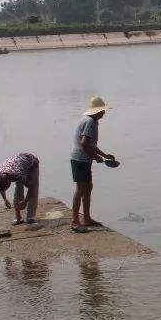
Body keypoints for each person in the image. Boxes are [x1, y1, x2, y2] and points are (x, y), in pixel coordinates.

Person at [70, 96, 113, 232]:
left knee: (88, 187)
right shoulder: (91, 122)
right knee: (81, 188)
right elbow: (84, 143)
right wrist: (95, 157)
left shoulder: (89, 120)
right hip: (80, 159)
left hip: (82, 159)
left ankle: (87, 218)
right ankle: (75, 221)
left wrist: (104, 155)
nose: (104, 113)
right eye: (102, 111)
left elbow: (91, 145)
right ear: (96, 111)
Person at [0, 152, 40, 225]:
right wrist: (5, 199)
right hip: (18, 165)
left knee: (34, 188)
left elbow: (31, 187)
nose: (5, 190)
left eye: (6, 188)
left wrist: (25, 201)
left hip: (32, 163)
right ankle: (18, 218)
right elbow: (1, 188)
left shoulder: (18, 174)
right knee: (18, 194)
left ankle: (30, 217)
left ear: (9, 181)